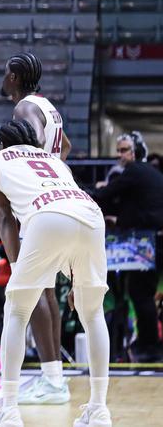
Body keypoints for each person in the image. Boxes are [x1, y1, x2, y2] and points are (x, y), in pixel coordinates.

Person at [0, 120, 111, 427]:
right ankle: (99, 409)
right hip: (90, 213)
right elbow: (69, 209)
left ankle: (9, 410)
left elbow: (4, 218)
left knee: (17, 311)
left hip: (47, 216)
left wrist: (15, 267)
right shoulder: (54, 160)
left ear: (2, 144)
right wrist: (75, 276)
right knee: (93, 316)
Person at [1, 52, 72, 404]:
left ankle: (53, 381)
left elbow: (35, 143)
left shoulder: (25, 108)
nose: (2, 77)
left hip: (39, 204)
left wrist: (27, 182)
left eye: (5, 72)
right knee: (46, 292)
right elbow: (65, 146)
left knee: (36, 292)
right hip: (58, 200)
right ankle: (53, 377)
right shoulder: (48, 105)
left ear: (14, 77)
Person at [92, 131, 163, 362]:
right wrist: (120, 219)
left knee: (140, 293)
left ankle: (149, 345)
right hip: (152, 238)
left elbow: (106, 194)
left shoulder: (134, 171)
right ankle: (147, 342)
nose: (120, 155)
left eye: (124, 150)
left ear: (137, 151)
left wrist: (95, 190)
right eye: (119, 150)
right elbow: (135, 207)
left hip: (149, 241)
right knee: (141, 292)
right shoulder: (148, 173)